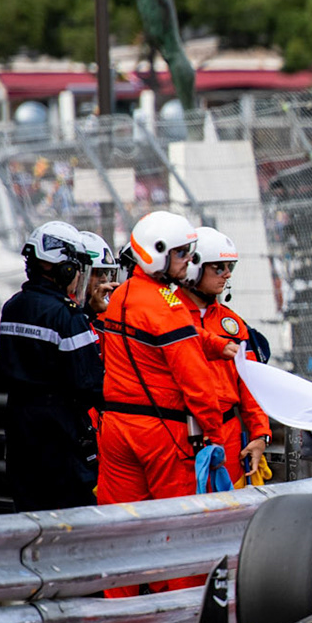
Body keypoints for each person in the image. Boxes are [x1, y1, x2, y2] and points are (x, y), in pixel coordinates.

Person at [92, 211, 226, 539]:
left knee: (120, 529)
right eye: (181, 253)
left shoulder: (122, 295)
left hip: (116, 429)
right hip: (162, 433)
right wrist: (214, 433)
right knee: (176, 532)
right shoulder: (169, 306)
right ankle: (178, 592)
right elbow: (195, 380)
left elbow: (164, 335)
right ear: (157, 253)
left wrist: (214, 344)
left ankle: (118, 591)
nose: (188, 261)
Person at [0, 222, 103, 513]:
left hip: (19, 425)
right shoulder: (66, 316)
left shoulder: (13, 306)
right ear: (65, 269)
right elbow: (89, 382)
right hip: (60, 428)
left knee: (28, 507)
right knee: (73, 511)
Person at [177, 227, 270, 490]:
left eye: (230, 267)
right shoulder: (167, 316)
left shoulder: (234, 324)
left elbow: (251, 385)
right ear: (194, 269)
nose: (227, 274)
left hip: (228, 438)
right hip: (178, 433)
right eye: (218, 267)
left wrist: (260, 435)